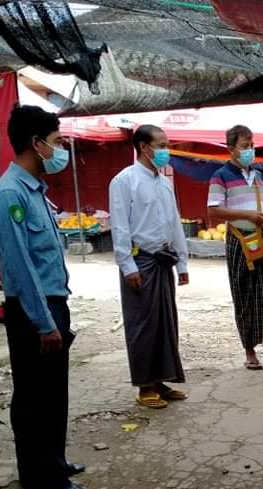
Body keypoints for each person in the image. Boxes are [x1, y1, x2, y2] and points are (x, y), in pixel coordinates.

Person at [0, 105, 100, 489]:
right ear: (36, 143)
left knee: (48, 393)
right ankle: (51, 484)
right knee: (40, 399)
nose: (60, 149)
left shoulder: (34, 190)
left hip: (50, 305)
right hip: (34, 311)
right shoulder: (9, 195)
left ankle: (43, 466)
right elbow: (19, 268)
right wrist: (44, 322)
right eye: (56, 141)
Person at [109, 124, 189, 409]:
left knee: (165, 323)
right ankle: (145, 386)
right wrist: (127, 265)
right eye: (162, 145)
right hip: (140, 261)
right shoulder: (124, 181)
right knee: (142, 324)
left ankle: (160, 380)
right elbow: (119, 225)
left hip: (163, 259)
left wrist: (182, 262)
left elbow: (174, 222)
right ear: (144, 147)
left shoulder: (164, 182)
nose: (166, 151)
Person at [207, 125, 263, 370]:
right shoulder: (220, 175)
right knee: (245, 294)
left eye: (252, 145)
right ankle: (250, 352)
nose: (250, 150)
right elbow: (214, 210)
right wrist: (249, 216)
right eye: (245, 146)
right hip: (240, 241)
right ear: (231, 149)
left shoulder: (258, 176)